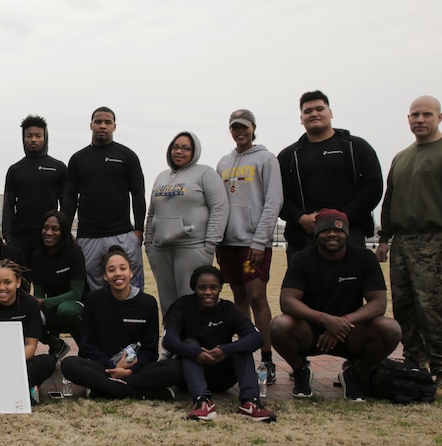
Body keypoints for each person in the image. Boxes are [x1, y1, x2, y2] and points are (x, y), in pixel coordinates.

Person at [375, 96, 442, 400]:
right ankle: (415, 366)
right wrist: (385, 238)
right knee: (406, 310)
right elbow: (391, 200)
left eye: (426, 114)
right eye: (414, 115)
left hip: (438, 243)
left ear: (439, 117)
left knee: (437, 310)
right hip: (404, 243)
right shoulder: (403, 157)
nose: (419, 120)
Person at [271, 210, 401, 400]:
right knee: (279, 326)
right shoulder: (302, 258)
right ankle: (300, 371)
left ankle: (354, 374)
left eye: (339, 230)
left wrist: (344, 321)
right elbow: (287, 301)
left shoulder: (364, 258)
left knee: (391, 328)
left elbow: (378, 304)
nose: (332, 234)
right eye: (326, 230)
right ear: (316, 233)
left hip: (351, 331)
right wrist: (324, 319)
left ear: (347, 234)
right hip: (311, 331)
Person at [215, 109, 284, 384]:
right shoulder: (222, 162)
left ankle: (267, 358)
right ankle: (245, 353)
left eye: (243, 127)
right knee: (239, 298)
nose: (239, 131)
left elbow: (273, 201)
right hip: (228, 243)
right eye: (234, 127)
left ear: (254, 127)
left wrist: (260, 239)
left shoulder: (266, 159)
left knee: (257, 296)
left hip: (253, 243)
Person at [59, 246, 181, 400]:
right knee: (69, 364)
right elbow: (88, 344)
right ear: (105, 276)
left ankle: (106, 389)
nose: (118, 273)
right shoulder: (94, 300)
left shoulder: (147, 302)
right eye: (111, 270)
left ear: (131, 272)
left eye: (123, 268)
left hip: (136, 369)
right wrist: (113, 367)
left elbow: (150, 349)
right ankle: (141, 392)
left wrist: (130, 370)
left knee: (176, 368)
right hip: (103, 367)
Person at [162, 266, 276, 422]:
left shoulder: (228, 309)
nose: (208, 292)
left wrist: (225, 350)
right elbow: (169, 340)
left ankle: (250, 402)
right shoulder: (182, 306)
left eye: (213, 288)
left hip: (222, 376)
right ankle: (202, 402)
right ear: (194, 288)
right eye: (202, 288)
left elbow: (256, 338)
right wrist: (196, 353)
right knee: (190, 343)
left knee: (242, 346)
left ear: (220, 288)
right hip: (188, 374)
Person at [277, 90, 383, 254]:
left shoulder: (356, 147)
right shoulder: (288, 156)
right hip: (304, 238)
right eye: (308, 111)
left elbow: (373, 187)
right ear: (301, 118)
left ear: (330, 112)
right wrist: (300, 218)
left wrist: (343, 217)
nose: (314, 114)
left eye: (319, 109)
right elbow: (278, 196)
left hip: (349, 233)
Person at [63, 107, 148, 291]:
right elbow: (69, 197)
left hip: (123, 234)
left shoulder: (127, 156)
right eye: (98, 121)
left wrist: (139, 230)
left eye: (107, 122)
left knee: (130, 288)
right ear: (91, 125)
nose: (102, 126)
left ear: (114, 126)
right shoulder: (78, 159)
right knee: (94, 291)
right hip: (88, 237)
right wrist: (66, 231)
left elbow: (138, 194)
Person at [144, 131, 229, 315]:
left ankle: (192, 342)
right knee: (168, 304)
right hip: (160, 249)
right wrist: (149, 244)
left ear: (194, 151)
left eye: (185, 148)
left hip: (192, 248)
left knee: (190, 301)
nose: (179, 151)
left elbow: (219, 208)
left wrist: (209, 245)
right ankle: (171, 341)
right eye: (175, 147)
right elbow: (151, 213)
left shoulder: (205, 173)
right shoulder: (161, 176)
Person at [0, 259, 56, 405]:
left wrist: (11, 363)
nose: (1, 287)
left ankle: (9, 387)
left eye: (7, 282)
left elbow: (30, 345)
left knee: (47, 362)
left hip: (19, 361)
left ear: (18, 282)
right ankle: (16, 388)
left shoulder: (30, 304)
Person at [2, 114, 66, 255]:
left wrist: (64, 232)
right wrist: (7, 235)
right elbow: (8, 205)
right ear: (23, 138)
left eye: (38, 136)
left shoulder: (58, 167)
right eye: (29, 136)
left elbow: (65, 203)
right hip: (20, 236)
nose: (33, 140)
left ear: (45, 137)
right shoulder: (15, 169)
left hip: (49, 235)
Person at [29, 209, 85, 360]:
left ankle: (87, 350)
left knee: (65, 309)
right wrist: (36, 305)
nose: (49, 232)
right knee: (28, 315)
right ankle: (56, 345)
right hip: (53, 306)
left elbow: (76, 292)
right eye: (45, 227)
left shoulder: (74, 253)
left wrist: (44, 302)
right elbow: (39, 292)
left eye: (55, 229)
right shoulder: (37, 257)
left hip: (76, 306)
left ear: (64, 231)